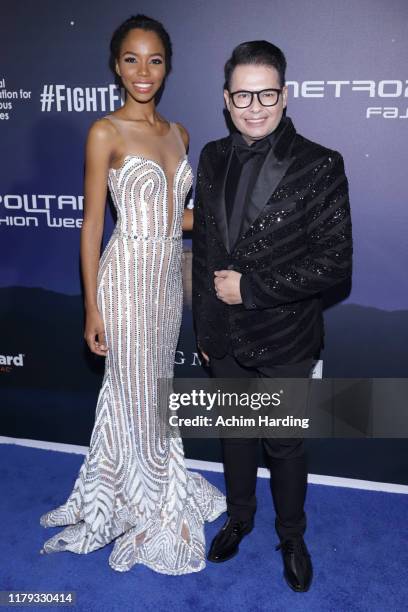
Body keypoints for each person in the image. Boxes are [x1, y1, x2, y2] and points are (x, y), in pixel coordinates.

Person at [39, 14, 225, 575]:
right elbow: (93, 224)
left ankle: (150, 476)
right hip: (125, 278)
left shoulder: (180, 134)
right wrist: (92, 305)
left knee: (154, 388)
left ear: (167, 66)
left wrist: (231, 221)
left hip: (170, 280)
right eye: (131, 59)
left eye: (155, 60)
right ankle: (134, 496)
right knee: (130, 387)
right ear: (116, 65)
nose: (143, 72)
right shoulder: (106, 132)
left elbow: (179, 217)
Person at [192, 40, 352, 591]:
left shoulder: (320, 163)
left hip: (285, 334)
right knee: (235, 437)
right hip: (225, 337)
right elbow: (208, 251)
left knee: (283, 444)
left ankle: (291, 535)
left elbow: (335, 264)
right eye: (243, 94)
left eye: (266, 93)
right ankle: (239, 519)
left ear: (284, 95)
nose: (254, 106)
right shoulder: (212, 156)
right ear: (226, 98)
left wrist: (253, 289)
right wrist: (205, 327)